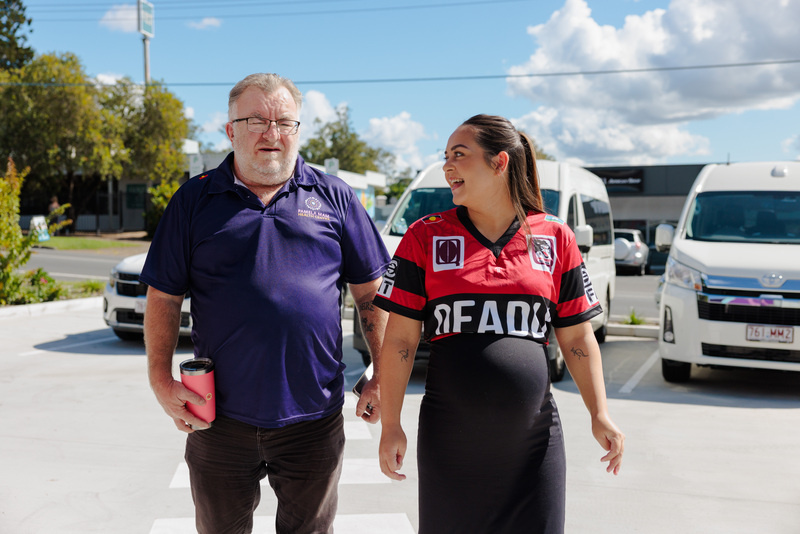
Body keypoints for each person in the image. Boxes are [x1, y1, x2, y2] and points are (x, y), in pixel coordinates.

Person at [140, 73, 390, 534]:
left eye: (284, 122)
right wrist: (158, 377)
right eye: (256, 120)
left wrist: (381, 372)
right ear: (230, 129)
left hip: (313, 420)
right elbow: (164, 296)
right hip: (218, 420)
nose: (271, 134)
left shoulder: (334, 197)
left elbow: (370, 295)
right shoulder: (194, 200)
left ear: (298, 130)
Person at [375, 114, 625, 534]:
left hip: (534, 444)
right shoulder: (424, 236)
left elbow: (578, 338)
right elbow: (400, 339)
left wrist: (599, 413)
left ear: (499, 162)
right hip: (450, 445)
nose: (447, 167)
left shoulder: (555, 237)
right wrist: (390, 424)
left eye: (459, 155)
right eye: (445, 157)